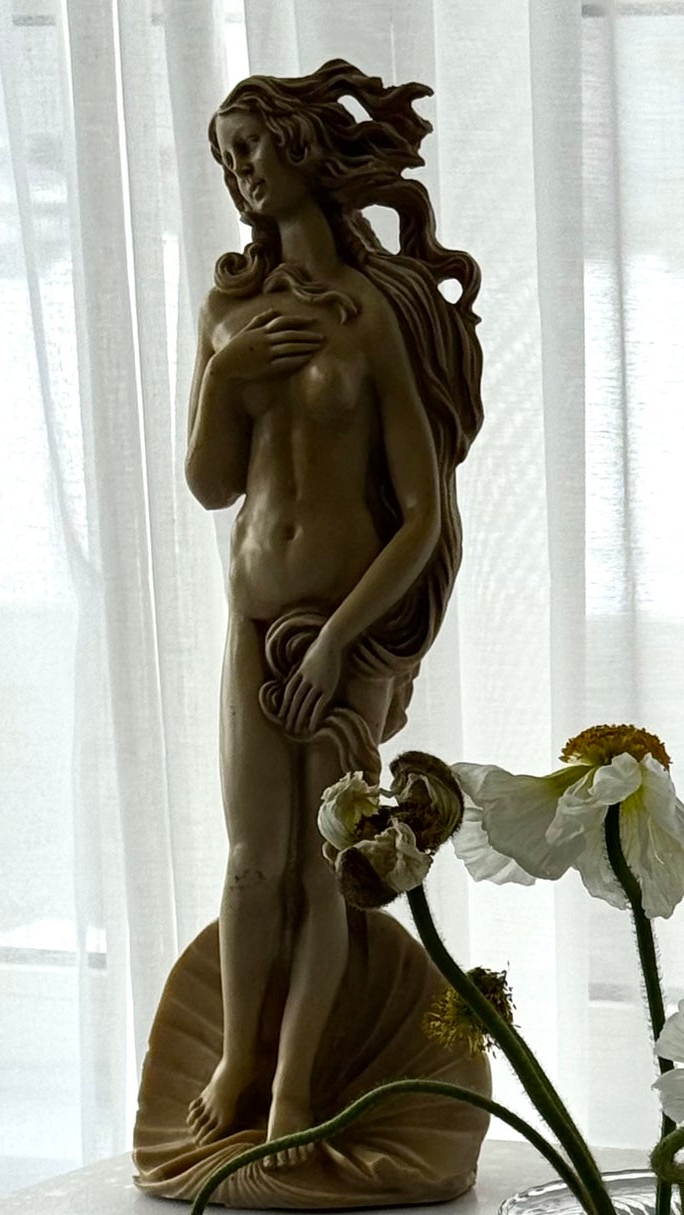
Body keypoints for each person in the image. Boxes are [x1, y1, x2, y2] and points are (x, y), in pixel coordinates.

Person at [183, 60, 481, 1153]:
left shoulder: (377, 314)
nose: (239, 175)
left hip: (344, 638)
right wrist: (224, 376)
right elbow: (211, 485)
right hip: (253, 625)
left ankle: (296, 1090)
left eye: (250, 150)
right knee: (250, 861)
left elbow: (422, 514)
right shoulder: (231, 307)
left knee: (325, 871)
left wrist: (342, 646)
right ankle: (237, 1059)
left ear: (304, 150)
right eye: (226, 160)